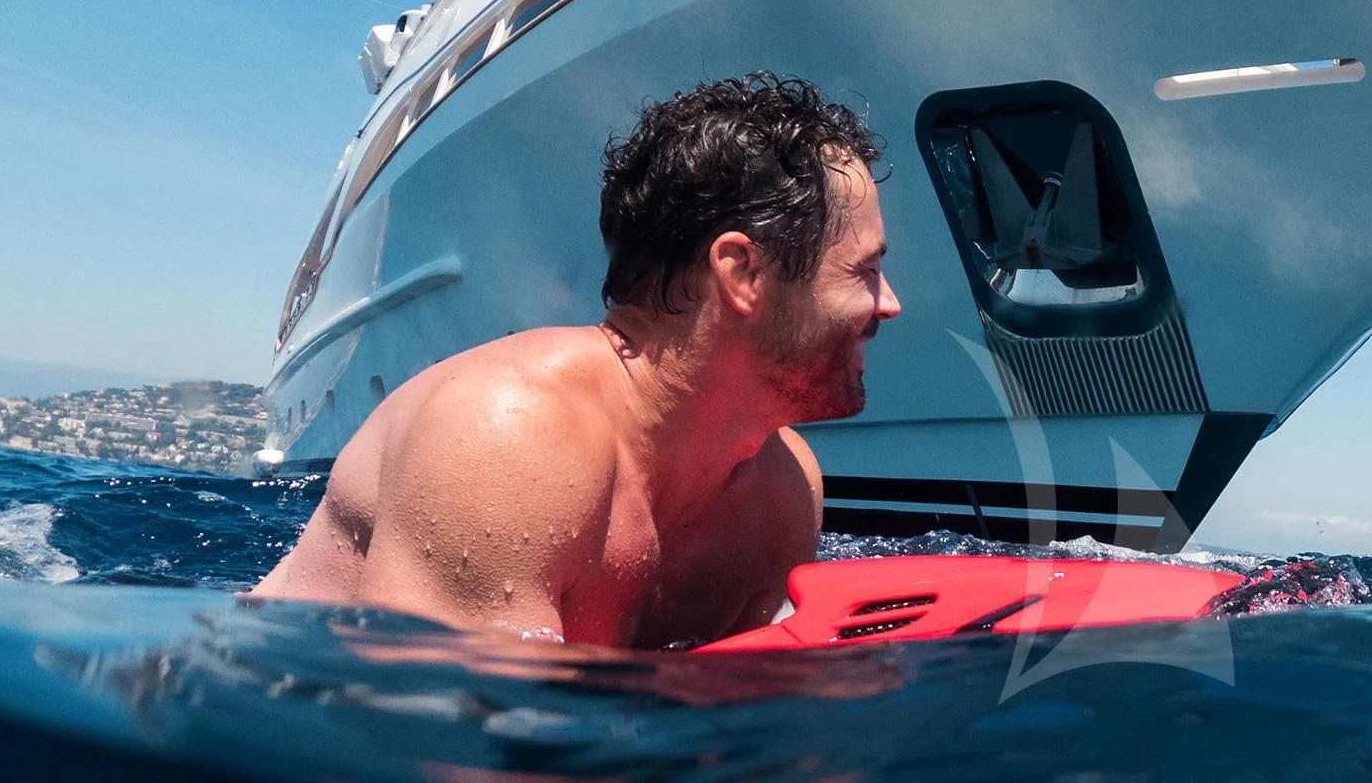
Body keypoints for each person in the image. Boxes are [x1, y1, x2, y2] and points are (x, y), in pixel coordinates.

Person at [254, 72, 900, 645]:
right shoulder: (508, 443)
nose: (889, 304)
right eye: (864, 272)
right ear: (741, 272)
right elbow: (433, 749)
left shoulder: (783, 492)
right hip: (261, 729)